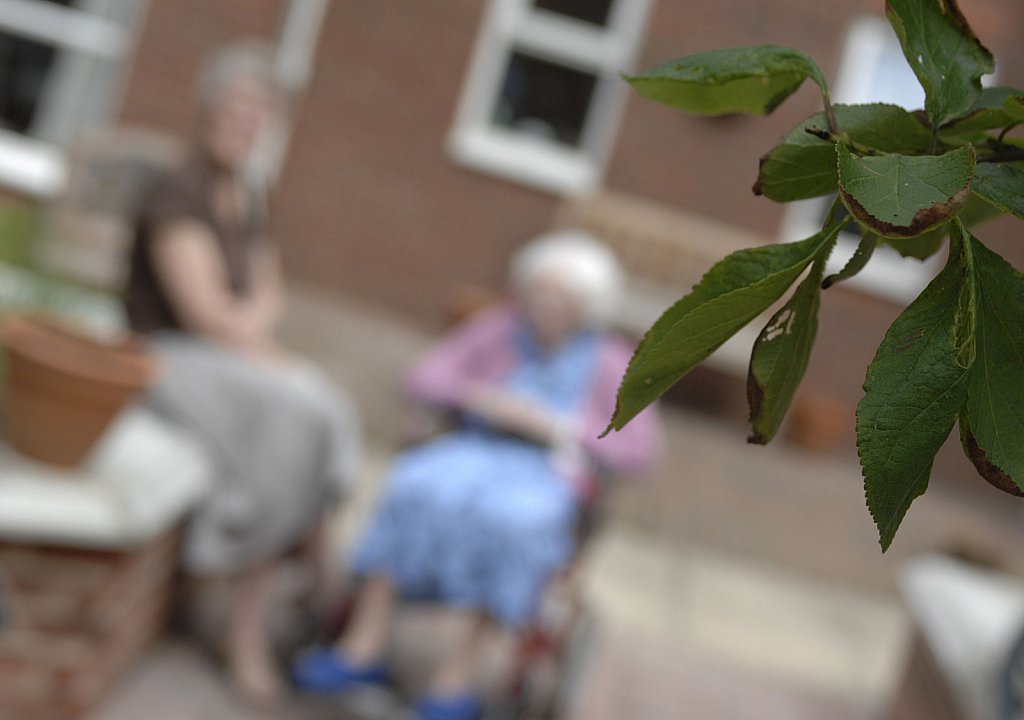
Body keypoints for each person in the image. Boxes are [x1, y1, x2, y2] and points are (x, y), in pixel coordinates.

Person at [292, 231, 662, 720]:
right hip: (475, 448)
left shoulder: (611, 360)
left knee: (515, 522)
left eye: (561, 297)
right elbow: (424, 376)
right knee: (415, 488)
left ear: (587, 306)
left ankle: (456, 678)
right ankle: (363, 645)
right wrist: (478, 396)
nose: (546, 305)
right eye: (539, 291)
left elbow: (639, 450)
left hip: (549, 471)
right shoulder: (499, 329)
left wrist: (557, 425)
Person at [123, 42, 362, 707]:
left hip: (226, 358)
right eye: (238, 107)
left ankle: (313, 576)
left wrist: (254, 336)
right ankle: (271, 616)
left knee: (320, 405)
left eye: (261, 112)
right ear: (209, 109)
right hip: (166, 359)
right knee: (293, 422)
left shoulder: (247, 193)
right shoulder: (179, 189)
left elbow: (268, 292)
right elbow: (203, 314)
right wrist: (257, 343)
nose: (248, 123)